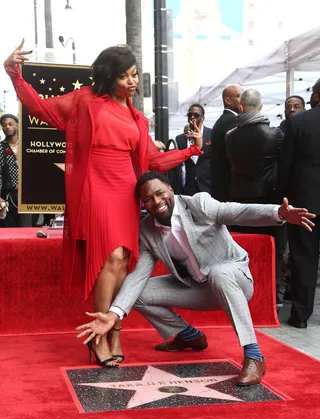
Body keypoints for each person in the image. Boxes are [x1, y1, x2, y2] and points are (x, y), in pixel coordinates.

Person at [5, 40, 203, 366]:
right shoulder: (85, 100)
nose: (133, 82)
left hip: (126, 190)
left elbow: (151, 159)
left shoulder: (138, 118)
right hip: (95, 188)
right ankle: (99, 336)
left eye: (135, 75)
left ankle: (115, 331)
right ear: (110, 76)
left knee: (123, 263)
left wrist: (189, 152)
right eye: (125, 76)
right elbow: (41, 108)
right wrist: (14, 74)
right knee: (108, 259)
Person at [76, 172, 315, 386]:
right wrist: (113, 314)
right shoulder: (147, 229)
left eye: (159, 194)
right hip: (198, 287)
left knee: (220, 272)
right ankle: (190, 336)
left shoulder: (198, 204)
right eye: (148, 199)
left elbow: (236, 211)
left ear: (171, 190)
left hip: (234, 278)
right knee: (136, 293)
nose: (156, 202)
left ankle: (254, 356)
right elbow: (138, 277)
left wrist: (278, 213)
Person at [225, 89, 285, 307]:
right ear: (260, 107)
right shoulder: (275, 134)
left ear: (240, 108)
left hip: (239, 199)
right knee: (273, 248)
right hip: (268, 197)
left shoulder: (230, 136)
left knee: (244, 249)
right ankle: (273, 296)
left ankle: (243, 293)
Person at [277, 80, 320, 328]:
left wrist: (283, 201)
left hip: (305, 202)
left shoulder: (297, 123)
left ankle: (300, 316)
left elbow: (286, 166)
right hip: (306, 200)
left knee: (304, 257)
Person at [211, 84, 244, 202]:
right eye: (240, 96)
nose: (244, 100)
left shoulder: (223, 121)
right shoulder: (232, 121)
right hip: (229, 189)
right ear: (227, 100)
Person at [170, 104, 212, 196]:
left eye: (196, 115)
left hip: (208, 187)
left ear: (202, 118)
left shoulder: (211, 135)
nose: (192, 117)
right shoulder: (180, 139)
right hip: (188, 188)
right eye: (189, 115)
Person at [0, 113, 32, 227]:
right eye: (4, 125)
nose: (7, 127)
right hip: (8, 196)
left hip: (27, 196)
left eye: (10, 124)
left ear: (17, 126)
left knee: (26, 229)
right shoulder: (1, 147)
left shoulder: (27, 145)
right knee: (8, 231)